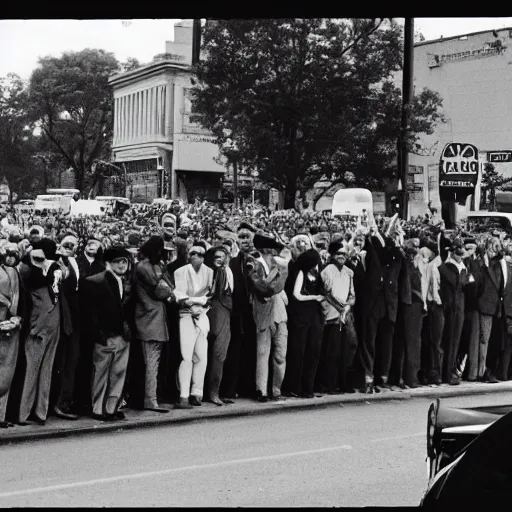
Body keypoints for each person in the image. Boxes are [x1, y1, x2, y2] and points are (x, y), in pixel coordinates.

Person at [82, 246, 133, 421]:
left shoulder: (125, 281)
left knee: (118, 374)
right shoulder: (94, 281)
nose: (121, 265)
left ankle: (112, 408)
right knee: (101, 374)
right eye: (117, 261)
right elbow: (90, 314)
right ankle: (98, 409)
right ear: (108, 263)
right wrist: (100, 336)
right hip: (105, 337)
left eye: (124, 261)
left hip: (122, 336)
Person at [18, 238, 63, 425]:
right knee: (33, 371)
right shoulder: (30, 270)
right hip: (39, 326)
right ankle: (25, 413)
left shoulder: (52, 269)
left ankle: (38, 412)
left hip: (51, 325)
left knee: (45, 370)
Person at [133, 235, 175, 412]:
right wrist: (168, 287)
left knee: (153, 361)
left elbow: (169, 286)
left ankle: (151, 398)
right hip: (149, 319)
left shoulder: (153, 265)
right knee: (151, 361)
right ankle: (150, 400)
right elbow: (162, 291)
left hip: (152, 318)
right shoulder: (144, 267)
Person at [247, 233, 290, 402]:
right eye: (272, 250)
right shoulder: (253, 264)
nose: (275, 253)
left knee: (280, 355)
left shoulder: (277, 266)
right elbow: (262, 288)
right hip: (264, 314)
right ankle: (262, 391)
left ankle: (276, 390)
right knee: (263, 353)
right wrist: (279, 274)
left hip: (280, 315)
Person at [173, 242, 213, 408]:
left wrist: (202, 305)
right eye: (193, 253)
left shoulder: (209, 272)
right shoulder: (180, 271)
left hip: (203, 315)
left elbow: (210, 295)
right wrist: (197, 302)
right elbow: (180, 295)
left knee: (201, 357)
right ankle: (183, 395)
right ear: (188, 255)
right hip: (186, 315)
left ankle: (197, 392)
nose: (197, 256)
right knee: (186, 356)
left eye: (201, 254)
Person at [220, 221, 258, 401]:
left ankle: (248, 388)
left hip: (254, 313)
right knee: (233, 351)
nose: (244, 240)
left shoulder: (258, 261)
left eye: (247, 237)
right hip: (235, 313)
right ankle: (229, 389)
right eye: (241, 237)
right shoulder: (233, 262)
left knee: (251, 350)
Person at [283, 248, 325, 398]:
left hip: (313, 316)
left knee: (312, 351)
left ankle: (309, 387)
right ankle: (295, 386)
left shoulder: (316, 275)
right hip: (301, 316)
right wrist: (315, 297)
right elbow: (297, 295)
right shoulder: (300, 273)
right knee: (298, 352)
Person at [317, 242, 357, 394]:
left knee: (346, 351)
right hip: (332, 316)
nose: (342, 256)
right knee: (332, 352)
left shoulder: (349, 272)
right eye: (338, 253)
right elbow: (327, 293)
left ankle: (344, 383)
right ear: (333, 255)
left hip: (345, 316)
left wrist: (347, 307)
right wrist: (341, 308)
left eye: (344, 254)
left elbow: (352, 294)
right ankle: (330, 385)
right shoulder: (327, 271)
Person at [52, 234, 81, 420]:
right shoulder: (56, 263)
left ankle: (65, 402)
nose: (69, 246)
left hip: (76, 320)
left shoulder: (76, 263)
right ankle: (58, 403)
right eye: (66, 243)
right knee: (61, 363)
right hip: (61, 320)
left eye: (73, 244)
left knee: (71, 362)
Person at [204, 245, 233, 406]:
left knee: (220, 355)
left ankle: (215, 391)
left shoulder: (227, 271)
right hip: (211, 312)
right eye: (217, 257)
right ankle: (207, 393)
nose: (220, 260)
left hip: (224, 313)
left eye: (223, 256)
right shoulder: (210, 272)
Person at [0, 244, 23, 428]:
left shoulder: (15, 272)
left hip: (12, 326)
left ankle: (2, 415)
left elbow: (20, 297)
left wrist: (16, 317)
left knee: (7, 372)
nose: (9, 258)